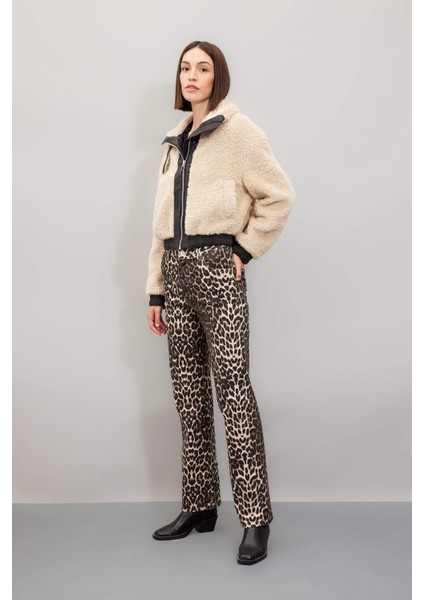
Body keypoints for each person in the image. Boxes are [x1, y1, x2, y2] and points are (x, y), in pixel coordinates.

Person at [146, 40, 296, 566]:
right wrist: (156, 289)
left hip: (217, 270)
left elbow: (279, 196)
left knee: (233, 391)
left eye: (203, 68)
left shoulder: (239, 132)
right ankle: (200, 505)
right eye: (185, 68)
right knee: (189, 396)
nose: (192, 75)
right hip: (176, 274)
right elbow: (161, 226)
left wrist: (244, 249)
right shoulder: (173, 143)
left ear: (218, 77)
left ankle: (256, 518)